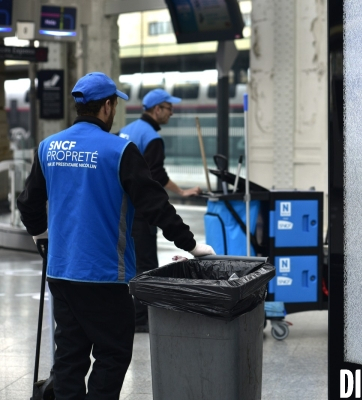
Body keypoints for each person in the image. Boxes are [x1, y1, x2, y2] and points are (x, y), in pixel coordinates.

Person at [17, 72, 215, 400]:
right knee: (113, 352)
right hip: (104, 275)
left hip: (61, 273)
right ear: (107, 107)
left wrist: (42, 238)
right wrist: (191, 244)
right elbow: (155, 205)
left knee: (69, 354)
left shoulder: (48, 147)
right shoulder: (120, 151)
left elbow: (28, 204)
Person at [118, 88, 202, 332]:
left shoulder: (127, 130)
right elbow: (156, 176)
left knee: (128, 261)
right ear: (157, 109)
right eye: (169, 108)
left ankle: (130, 314)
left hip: (123, 208)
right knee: (146, 263)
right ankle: (141, 318)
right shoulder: (152, 137)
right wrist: (182, 191)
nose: (171, 113)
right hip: (142, 211)